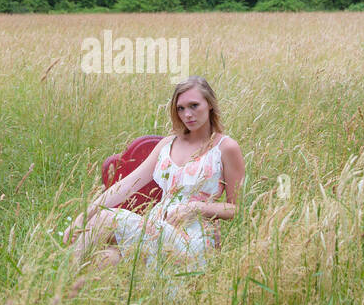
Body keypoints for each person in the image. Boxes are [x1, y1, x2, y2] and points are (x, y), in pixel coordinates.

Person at [62, 75, 245, 273]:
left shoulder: (225, 147)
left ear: (209, 104)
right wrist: (83, 215)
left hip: (193, 238)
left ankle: (58, 285)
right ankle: (67, 294)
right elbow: (128, 184)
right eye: (180, 109)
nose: (187, 115)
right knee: (106, 259)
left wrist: (196, 207)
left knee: (105, 219)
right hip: (156, 226)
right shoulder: (167, 144)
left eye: (194, 106)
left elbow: (235, 208)